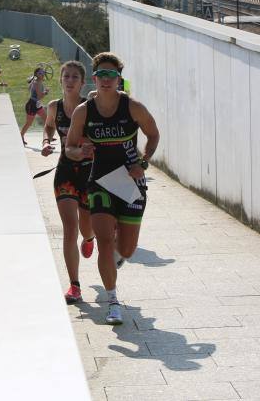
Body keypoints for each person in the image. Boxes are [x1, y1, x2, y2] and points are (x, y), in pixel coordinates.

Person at [66, 52, 160, 325]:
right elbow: (70, 148)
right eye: (101, 75)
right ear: (94, 78)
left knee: (127, 250)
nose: (106, 80)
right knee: (104, 241)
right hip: (100, 182)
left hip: (130, 183)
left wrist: (143, 162)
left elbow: (153, 134)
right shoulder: (84, 112)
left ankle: (120, 256)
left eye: (111, 75)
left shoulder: (133, 107)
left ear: (119, 78)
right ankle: (112, 300)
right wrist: (79, 151)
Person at [41, 61, 95, 304]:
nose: (70, 80)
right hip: (65, 172)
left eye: (75, 77)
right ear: (60, 80)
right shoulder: (54, 107)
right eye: (66, 77)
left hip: (89, 173)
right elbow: (49, 126)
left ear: (82, 82)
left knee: (86, 228)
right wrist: (46, 141)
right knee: (70, 228)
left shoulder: (90, 107)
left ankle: (91, 238)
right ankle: (74, 285)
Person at [20, 67, 49, 145]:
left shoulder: (38, 82)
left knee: (47, 120)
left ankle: (48, 137)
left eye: (43, 73)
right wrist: (46, 92)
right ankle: (20, 136)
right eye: (40, 73)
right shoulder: (37, 83)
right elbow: (39, 96)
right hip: (32, 105)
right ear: (36, 74)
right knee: (29, 123)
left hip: (37, 104)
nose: (42, 74)